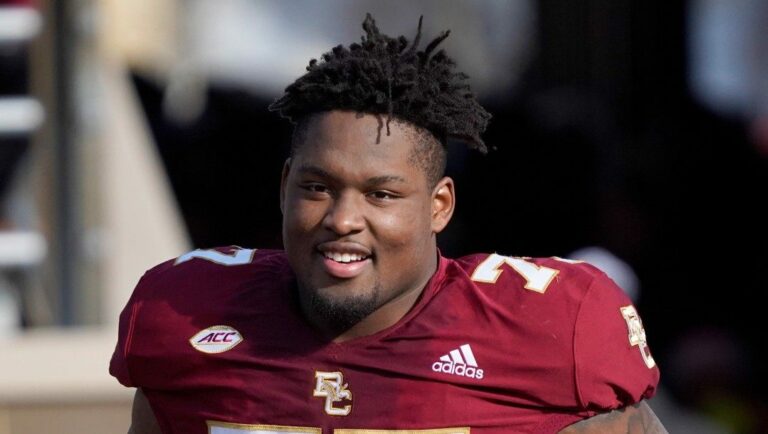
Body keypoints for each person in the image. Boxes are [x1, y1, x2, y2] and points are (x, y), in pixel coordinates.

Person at [110, 14, 666, 434]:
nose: (344, 219)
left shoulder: (550, 334)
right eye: (317, 187)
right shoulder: (184, 315)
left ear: (438, 206)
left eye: (381, 194)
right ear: (284, 189)